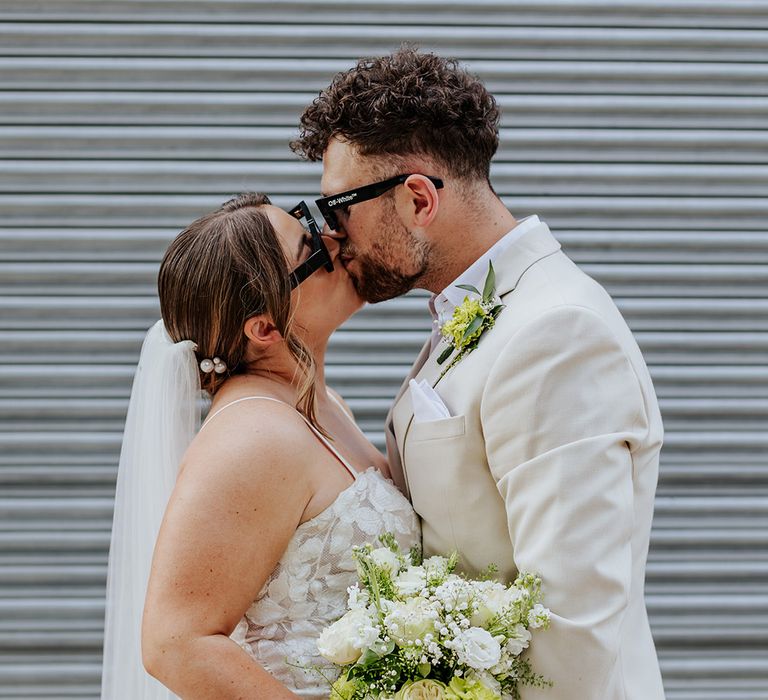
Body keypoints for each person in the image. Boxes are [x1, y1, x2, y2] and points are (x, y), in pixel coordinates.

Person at [291, 47, 666, 699]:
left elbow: (569, 632)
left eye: (339, 208)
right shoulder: (476, 311)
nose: (333, 238)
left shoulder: (557, 332)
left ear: (416, 199)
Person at [100, 193, 419, 699]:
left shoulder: (321, 403)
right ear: (265, 328)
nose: (337, 239)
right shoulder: (253, 435)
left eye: (311, 222)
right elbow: (175, 644)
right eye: (311, 247)